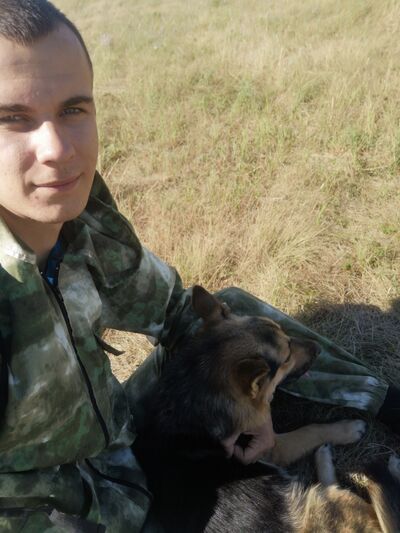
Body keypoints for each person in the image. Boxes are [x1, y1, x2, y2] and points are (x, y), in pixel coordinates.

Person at [0, 0, 398, 531]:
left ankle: (384, 399)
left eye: (73, 109)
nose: (56, 149)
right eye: (12, 118)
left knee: (231, 318)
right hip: (74, 508)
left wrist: (252, 410)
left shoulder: (84, 212)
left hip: (125, 433)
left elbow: (176, 312)